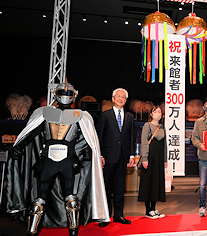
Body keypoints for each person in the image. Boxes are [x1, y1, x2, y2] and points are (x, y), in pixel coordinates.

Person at [7, 81, 110, 236]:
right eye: (63, 93)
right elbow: (32, 133)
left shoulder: (81, 116)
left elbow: (88, 139)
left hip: (66, 161)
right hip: (50, 161)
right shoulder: (43, 113)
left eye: (68, 93)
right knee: (42, 199)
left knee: (70, 200)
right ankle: (33, 231)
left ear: (74, 95)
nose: (65, 96)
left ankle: (71, 231)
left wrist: (89, 152)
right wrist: (20, 146)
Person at [96, 88, 135, 226]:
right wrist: (99, 155)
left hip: (123, 156)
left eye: (123, 97)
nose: (120, 99)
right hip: (108, 157)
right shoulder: (105, 115)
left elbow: (131, 137)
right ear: (113, 99)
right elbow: (99, 137)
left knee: (119, 188)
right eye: (118, 96)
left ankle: (119, 215)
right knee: (106, 187)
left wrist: (131, 154)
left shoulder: (130, 117)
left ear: (126, 100)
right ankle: (105, 217)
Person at [138, 106, 167, 219]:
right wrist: (145, 158)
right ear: (151, 114)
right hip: (150, 158)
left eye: (160, 112)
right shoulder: (147, 125)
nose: (158, 114)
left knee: (156, 183)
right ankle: (147, 210)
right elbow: (144, 142)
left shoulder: (162, 127)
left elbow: (165, 145)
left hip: (159, 160)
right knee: (148, 183)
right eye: (156, 112)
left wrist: (165, 159)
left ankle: (153, 209)